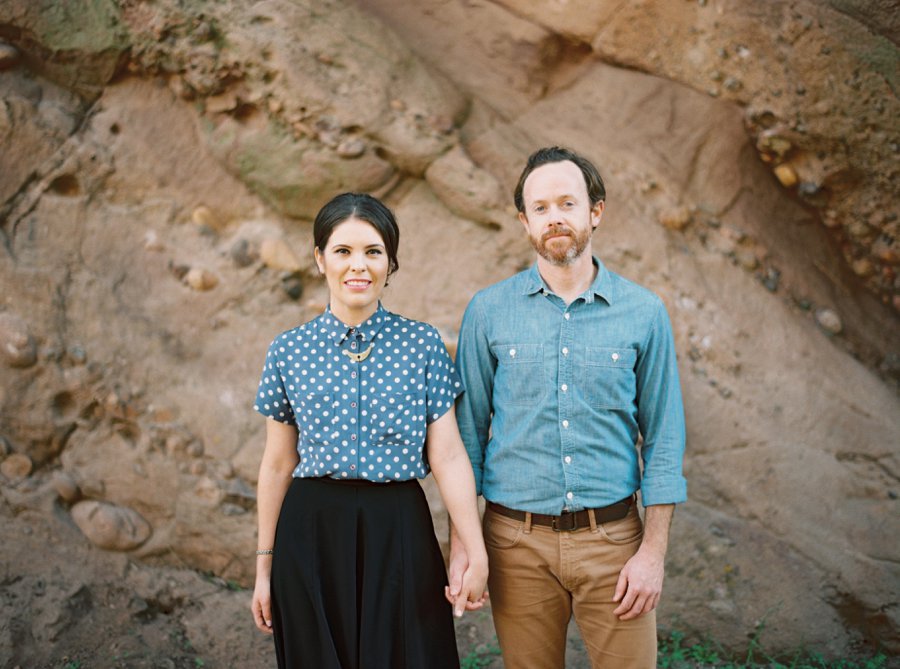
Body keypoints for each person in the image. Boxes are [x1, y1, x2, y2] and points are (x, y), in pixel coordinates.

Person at [449, 146, 687, 668]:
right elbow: (465, 439)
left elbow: (665, 439)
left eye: (567, 203)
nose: (555, 217)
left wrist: (653, 554)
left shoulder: (644, 313)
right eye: (540, 208)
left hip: (615, 543)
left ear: (594, 212)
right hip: (516, 545)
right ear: (524, 221)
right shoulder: (488, 312)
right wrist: (465, 546)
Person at [250, 192, 488, 669]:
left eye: (373, 252)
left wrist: (474, 550)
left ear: (390, 263)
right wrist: (263, 567)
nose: (358, 266)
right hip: (311, 530)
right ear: (320, 259)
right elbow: (278, 463)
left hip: (398, 526)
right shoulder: (289, 350)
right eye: (343, 251)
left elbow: (448, 456)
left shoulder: (422, 343)